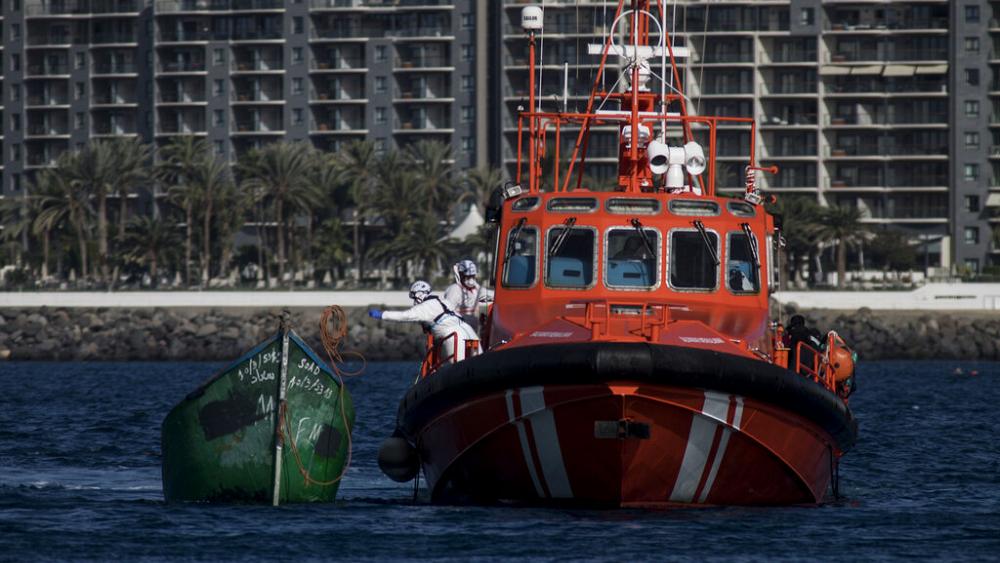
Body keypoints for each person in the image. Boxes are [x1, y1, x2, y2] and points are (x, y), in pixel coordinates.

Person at [369, 280, 480, 364]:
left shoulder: (424, 308)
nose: (414, 301)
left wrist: (382, 315)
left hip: (454, 337)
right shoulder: (444, 301)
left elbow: (404, 316)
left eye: (414, 297)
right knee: (478, 361)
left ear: (419, 294)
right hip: (469, 333)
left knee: (458, 367)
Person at [443, 260, 493, 331]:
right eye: (468, 277)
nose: (470, 280)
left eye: (472, 277)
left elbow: (491, 295)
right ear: (461, 275)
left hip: (473, 329)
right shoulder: (454, 290)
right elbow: (447, 311)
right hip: (458, 330)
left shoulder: (477, 289)